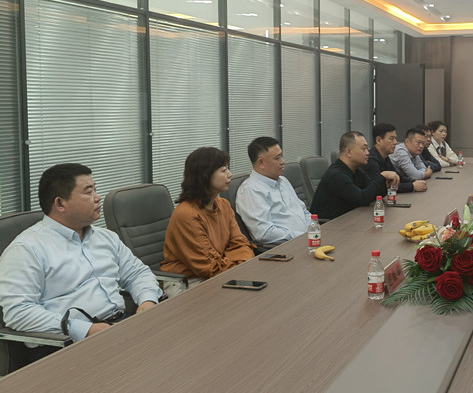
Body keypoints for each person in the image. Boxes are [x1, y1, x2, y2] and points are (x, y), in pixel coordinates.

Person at [0, 163, 160, 354]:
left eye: (95, 190)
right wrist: (85, 330)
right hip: (68, 344)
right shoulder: (27, 249)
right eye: (88, 192)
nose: (98, 197)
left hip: (120, 326)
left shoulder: (105, 237)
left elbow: (137, 274)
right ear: (60, 204)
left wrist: (147, 301)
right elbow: (18, 312)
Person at [162, 147, 254, 278]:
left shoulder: (224, 205)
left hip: (223, 272)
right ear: (205, 175)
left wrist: (241, 264)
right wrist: (241, 264)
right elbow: (210, 267)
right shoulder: (187, 214)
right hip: (190, 281)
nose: (230, 174)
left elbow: (240, 244)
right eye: (223, 170)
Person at [236, 137, 312, 250]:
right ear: (261, 163)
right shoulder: (251, 190)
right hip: (285, 249)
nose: (283, 161)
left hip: (307, 241)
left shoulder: (283, 181)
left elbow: (304, 211)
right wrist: (302, 236)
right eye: (277, 158)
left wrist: (313, 230)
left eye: (281, 156)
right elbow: (264, 233)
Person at [310, 131, 400, 220]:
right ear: (349, 152)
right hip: (328, 225)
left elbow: (373, 194)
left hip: (347, 219)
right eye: (364, 149)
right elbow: (362, 198)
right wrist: (382, 176)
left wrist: (386, 183)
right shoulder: (336, 175)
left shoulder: (356, 170)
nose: (368, 153)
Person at [365, 123, 427, 193]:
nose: (395, 142)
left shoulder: (385, 157)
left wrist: (415, 182)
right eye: (392, 139)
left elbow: (399, 176)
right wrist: (412, 186)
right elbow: (382, 187)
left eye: (395, 138)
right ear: (379, 140)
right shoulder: (370, 160)